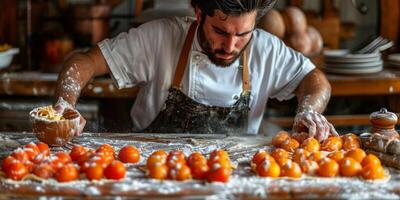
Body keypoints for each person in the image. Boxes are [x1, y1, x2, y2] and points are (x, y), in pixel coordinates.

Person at [54, 0, 338, 142]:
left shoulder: (266, 49)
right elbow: (84, 61)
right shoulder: (160, 39)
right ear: (199, 13)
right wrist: (65, 105)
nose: (230, 45)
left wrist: (308, 110)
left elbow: (315, 80)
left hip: (237, 181)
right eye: (220, 31)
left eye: (243, 34)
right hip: (151, 176)